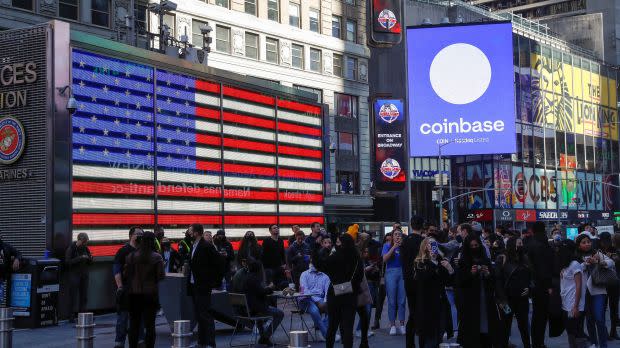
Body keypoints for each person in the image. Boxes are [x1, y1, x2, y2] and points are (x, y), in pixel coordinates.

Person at [315, 233, 363, 348]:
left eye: (337, 242)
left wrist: (317, 248)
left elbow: (321, 266)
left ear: (342, 244)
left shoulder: (335, 256)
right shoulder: (357, 257)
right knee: (348, 327)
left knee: (332, 326)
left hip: (334, 294)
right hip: (350, 295)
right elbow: (360, 276)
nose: (335, 244)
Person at [456, 235, 501, 348]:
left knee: (486, 330)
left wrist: (487, 274)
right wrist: (470, 274)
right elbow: (459, 282)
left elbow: (493, 281)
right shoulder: (463, 261)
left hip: (485, 300)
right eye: (471, 246)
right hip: (470, 302)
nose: (474, 247)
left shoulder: (485, 260)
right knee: (472, 332)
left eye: (476, 245)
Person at [124, 232, 165, 348]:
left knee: (134, 324)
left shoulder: (131, 256)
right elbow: (161, 276)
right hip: (150, 294)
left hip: (133, 293)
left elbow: (126, 274)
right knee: (150, 325)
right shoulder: (156, 257)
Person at [413, 237, 454, 348]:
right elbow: (424, 279)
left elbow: (448, 282)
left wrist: (450, 269)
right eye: (430, 244)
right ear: (425, 246)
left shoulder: (440, 261)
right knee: (429, 337)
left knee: (439, 334)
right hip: (427, 305)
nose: (432, 246)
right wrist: (432, 261)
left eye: (434, 244)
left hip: (440, 302)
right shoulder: (420, 262)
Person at [188, 223, 224, 348]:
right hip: (194, 284)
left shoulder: (206, 246)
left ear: (196, 233)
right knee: (199, 314)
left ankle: (210, 342)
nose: (188, 233)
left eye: (190, 231)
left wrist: (213, 281)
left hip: (203, 285)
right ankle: (201, 341)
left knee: (205, 314)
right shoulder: (194, 245)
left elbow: (218, 263)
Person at [575, 232, 614, 348]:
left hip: (598, 291)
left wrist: (600, 262)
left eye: (588, 242)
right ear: (579, 245)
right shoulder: (575, 257)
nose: (587, 244)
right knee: (589, 320)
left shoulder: (596, 253)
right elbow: (571, 270)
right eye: (584, 242)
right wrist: (584, 264)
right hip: (583, 292)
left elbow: (611, 263)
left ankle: (603, 345)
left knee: (599, 318)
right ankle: (593, 343)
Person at [495, 236, 532, 348]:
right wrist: (501, 299)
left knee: (524, 326)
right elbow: (498, 281)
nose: (521, 245)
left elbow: (531, 277)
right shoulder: (502, 259)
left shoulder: (525, 258)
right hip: (507, 300)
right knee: (505, 326)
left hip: (522, 299)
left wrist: (530, 288)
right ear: (512, 245)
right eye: (519, 243)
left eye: (521, 243)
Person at [113, 227, 143, 348]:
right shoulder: (123, 251)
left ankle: (140, 341)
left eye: (142, 234)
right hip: (126, 289)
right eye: (138, 234)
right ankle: (119, 343)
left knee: (140, 318)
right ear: (131, 236)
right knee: (123, 319)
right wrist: (120, 286)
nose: (140, 236)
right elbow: (116, 269)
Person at [243, 259, 284, 346]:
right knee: (280, 314)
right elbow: (262, 292)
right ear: (258, 269)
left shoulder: (247, 277)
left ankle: (263, 337)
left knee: (264, 316)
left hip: (249, 308)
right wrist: (270, 287)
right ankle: (265, 337)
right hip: (257, 309)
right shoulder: (254, 279)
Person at [527, 221, 554, 348]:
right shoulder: (543, 244)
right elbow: (544, 267)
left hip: (534, 283)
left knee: (537, 315)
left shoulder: (531, 243)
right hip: (543, 284)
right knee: (541, 315)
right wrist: (549, 285)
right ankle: (539, 342)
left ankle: (537, 342)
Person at [558, 241, 587, 348]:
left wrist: (576, 306)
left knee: (577, 333)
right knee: (570, 331)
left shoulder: (575, 264)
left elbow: (579, 286)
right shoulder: (565, 265)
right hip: (566, 304)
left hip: (574, 305)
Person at [401, 216, 425, 345]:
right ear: (422, 226)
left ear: (411, 225)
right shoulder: (424, 241)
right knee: (421, 312)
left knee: (412, 311)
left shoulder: (405, 241)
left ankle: (409, 343)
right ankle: (422, 341)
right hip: (421, 280)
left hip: (408, 280)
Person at [299, 257, 331, 340]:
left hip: (320, 299)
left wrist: (325, 302)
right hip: (306, 299)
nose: (311, 265)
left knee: (333, 308)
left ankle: (321, 328)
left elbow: (327, 293)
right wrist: (318, 301)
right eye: (311, 262)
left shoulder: (325, 277)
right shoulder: (304, 274)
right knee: (315, 311)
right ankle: (326, 335)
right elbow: (304, 291)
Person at [382, 229, 406, 336]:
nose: (397, 236)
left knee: (402, 300)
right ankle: (392, 325)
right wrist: (394, 247)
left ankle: (402, 324)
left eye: (399, 235)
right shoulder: (387, 245)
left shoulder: (404, 246)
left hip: (402, 272)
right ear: (392, 236)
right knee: (391, 300)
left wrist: (402, 247)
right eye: (395, 234)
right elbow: (385, 259)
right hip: (391, 272)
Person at [65, 232, 92, 321]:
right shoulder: (71, 248)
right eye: (84, 242)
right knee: (73, 295)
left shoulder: (86, 248)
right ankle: (71, 315)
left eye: (86, 242)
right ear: (79, 240)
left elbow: (90, 261)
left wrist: (89, 258)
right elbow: (68, 262)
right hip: (74, 274)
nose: (85, 244)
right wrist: (80, 258)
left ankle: (82, 314)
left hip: (84, 274)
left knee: (84, 295)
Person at [373, 232, 392, 330]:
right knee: (380, 299)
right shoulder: (381, 250)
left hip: (392, 276)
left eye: (390, 240)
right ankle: (376, 320)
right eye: (387, 240)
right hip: (383, 277)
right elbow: (378, 263)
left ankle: (392, 322)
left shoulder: (395, 250)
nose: (388, 242)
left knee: (394, 301)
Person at [605, 233, 620, 339]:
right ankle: (613, 331)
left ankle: (611, 331)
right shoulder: (611, 251)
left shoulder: (611, 251)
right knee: (614, 308)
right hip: (615, 283)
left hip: (609, 282)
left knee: (608, 308)